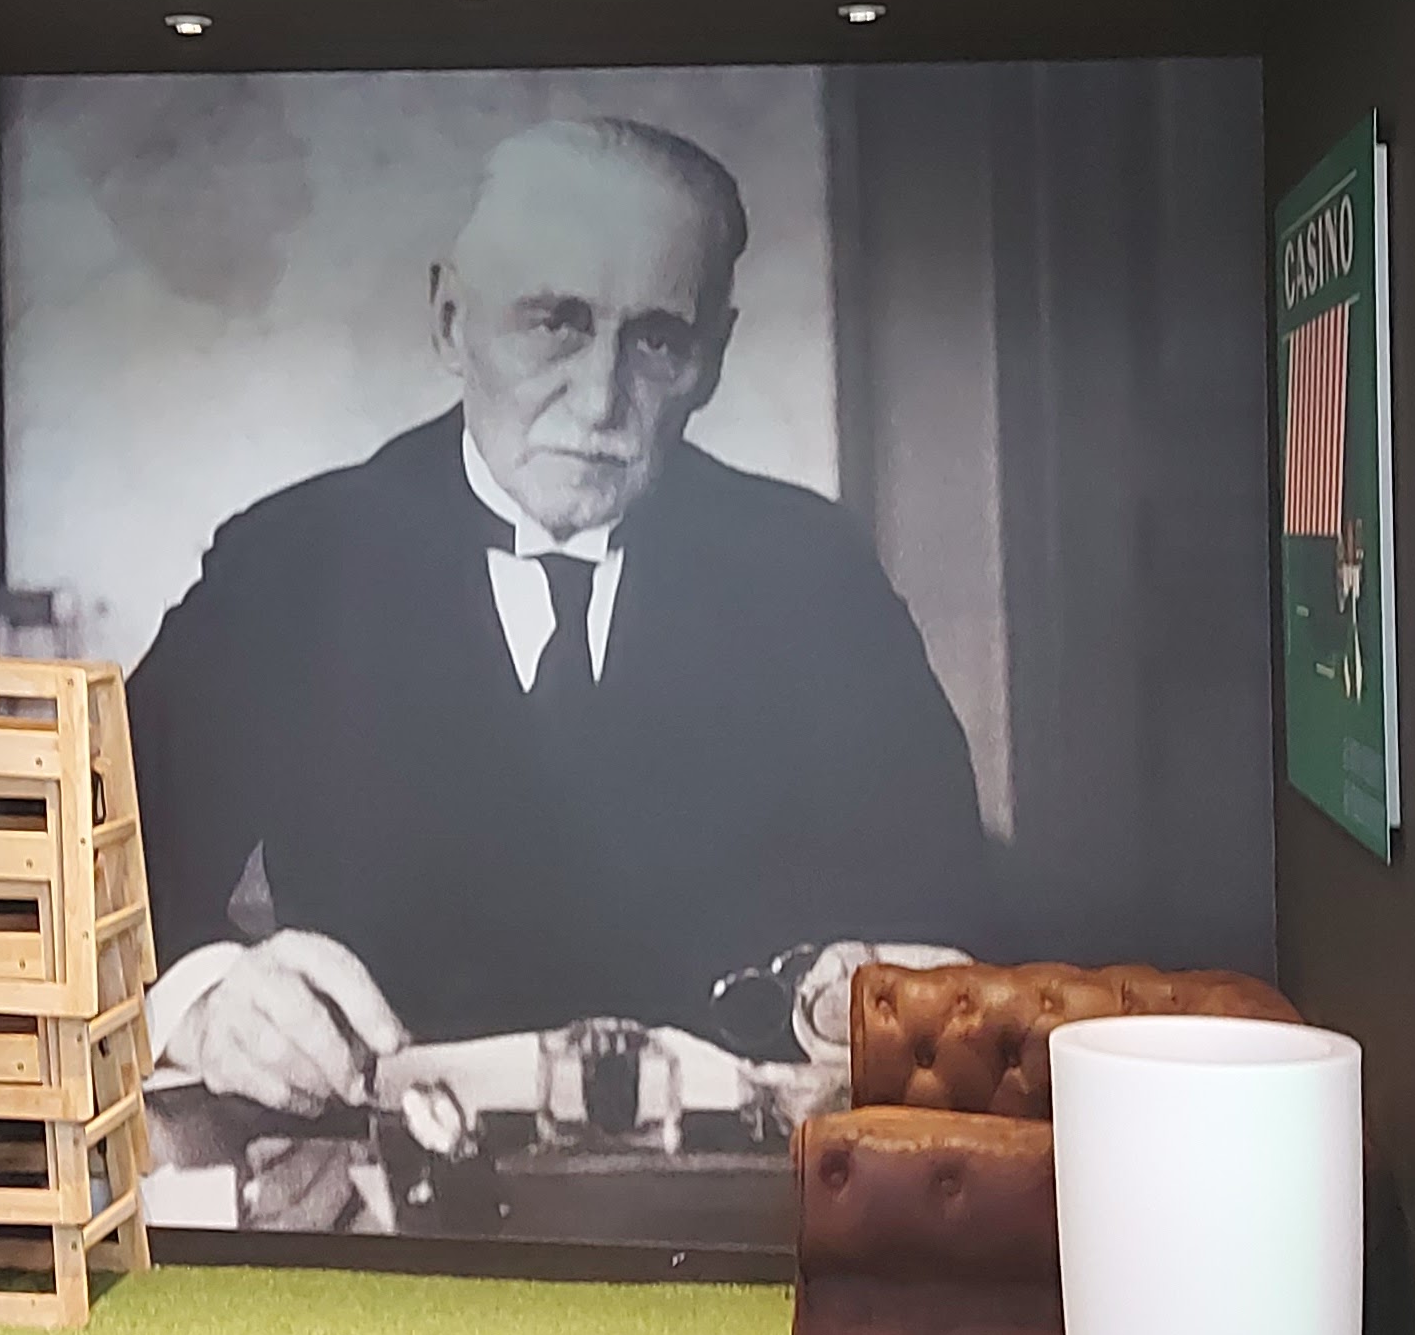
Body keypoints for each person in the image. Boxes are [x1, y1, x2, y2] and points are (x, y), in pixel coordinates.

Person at [129, 115, 992, 1218]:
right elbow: (102, 871)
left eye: (658, 342)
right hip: (382, 1223)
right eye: (555, 323)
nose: (599, 401)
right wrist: (205, 1000)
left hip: (729, 1224)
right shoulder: (290, 562)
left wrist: (870, 1003)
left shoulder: (817, 575)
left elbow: (948, 921)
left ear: (714, 357)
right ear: (451, 322)